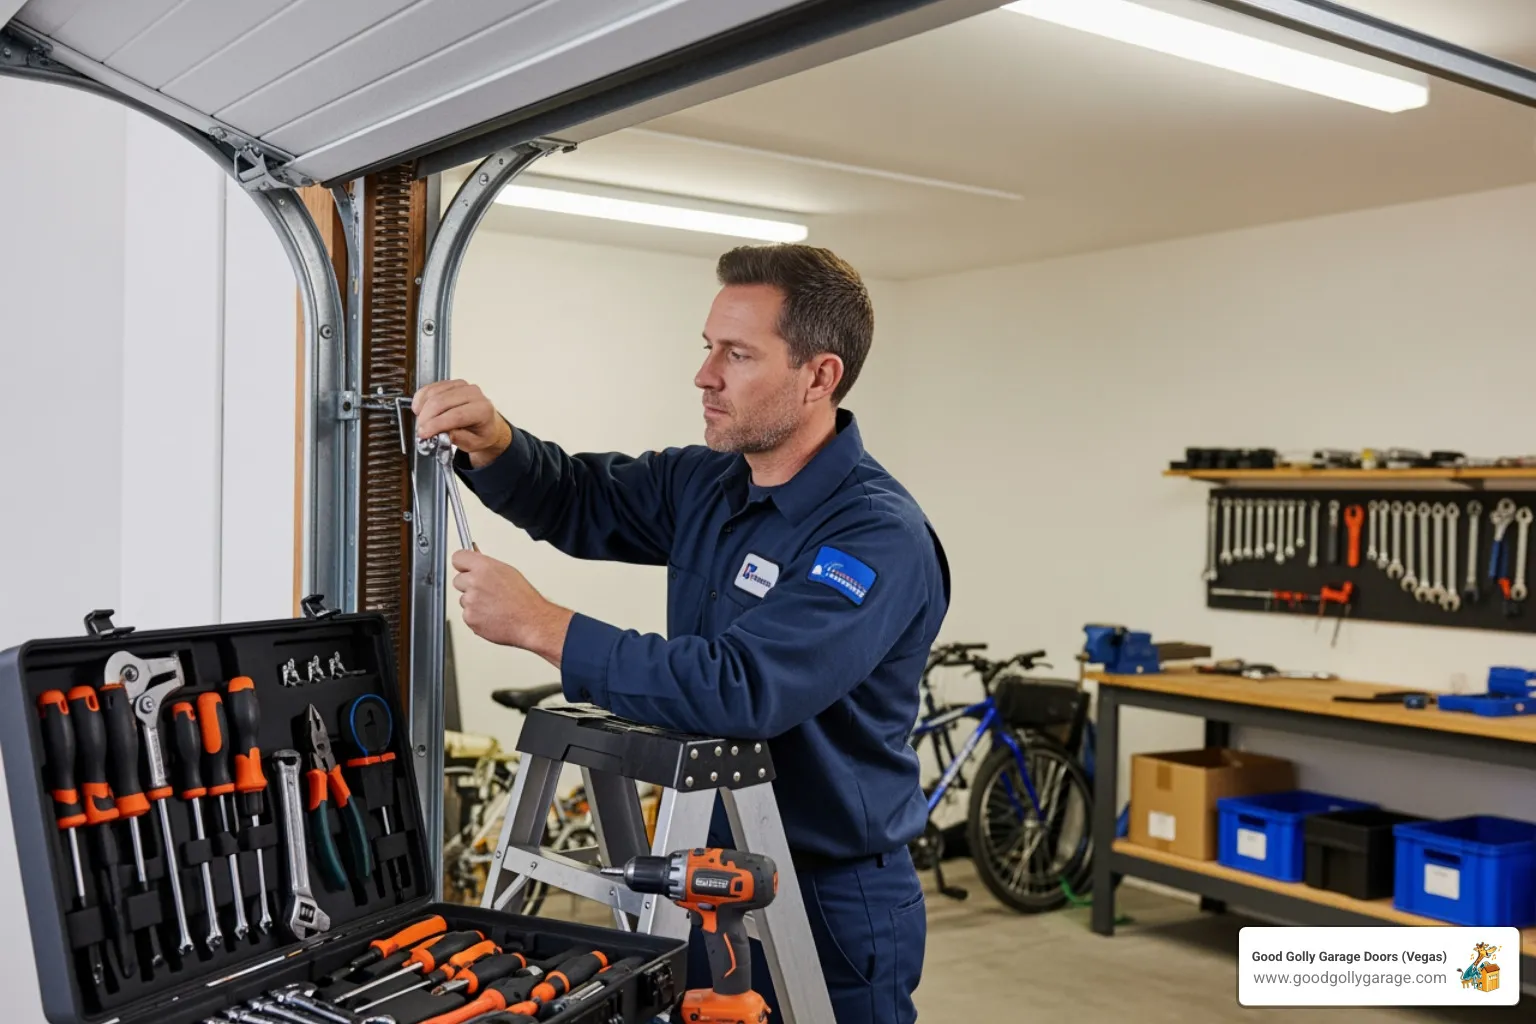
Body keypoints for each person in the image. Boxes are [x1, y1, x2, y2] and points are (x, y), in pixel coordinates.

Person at [412, 243, 949, 1024]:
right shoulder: (708, 483)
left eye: (737, 354)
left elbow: (741, 687)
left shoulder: (874, 537)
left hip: (828, 898)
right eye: (708, 348)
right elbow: (578, 497)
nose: (705, 375)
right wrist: (493, 440)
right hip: (703, 872)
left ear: (820, 376)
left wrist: (543, 627)